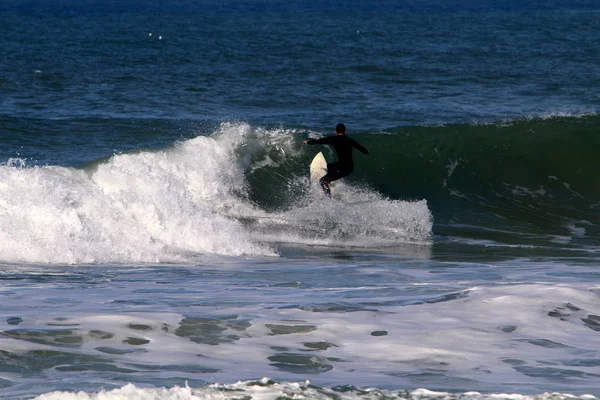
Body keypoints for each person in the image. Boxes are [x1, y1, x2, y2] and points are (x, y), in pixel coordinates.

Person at [303, 123, 369, 196]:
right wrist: (366, 152)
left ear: (335, 131)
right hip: (350, 167)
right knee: (330, 166)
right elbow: (360, 147)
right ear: (345, 131)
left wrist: (308, 142)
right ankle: (330, 180)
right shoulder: (350, 140)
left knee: (322, 181)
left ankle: (328, 198)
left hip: (342, 167)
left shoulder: (334, 139)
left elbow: (321, 141)